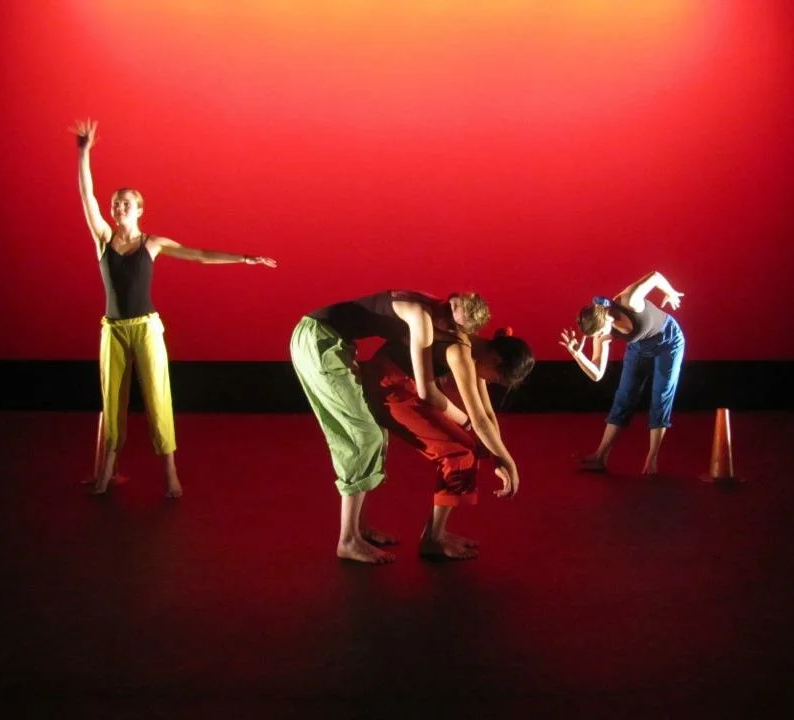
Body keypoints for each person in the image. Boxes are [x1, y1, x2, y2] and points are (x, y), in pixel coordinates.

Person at [70, 118, 277, 499]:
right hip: (112, 329)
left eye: (126, 203)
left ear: (139, 210)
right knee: (111, 399)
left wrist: (245, 259)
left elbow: (199, 255)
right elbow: (87, 197)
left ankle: (170, 475)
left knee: (157, 397)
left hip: (147, 328)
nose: (118, 207)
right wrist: (84, 153)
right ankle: (107, 472)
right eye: (115, 203)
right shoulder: (102, 238)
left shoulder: (153, 243)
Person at [289, 290, 491, 564]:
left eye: (454, 325)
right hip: (319, 339)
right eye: (449, 312)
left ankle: (358, 530)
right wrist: (467, 421)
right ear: (450, 301)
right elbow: (427, 391)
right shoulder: (422, 315)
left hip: (328, 340)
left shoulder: (431, 312)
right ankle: (347, 540)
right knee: (364, 437)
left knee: (374, 432)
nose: (446, 324)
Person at [361, 325, 534, 561]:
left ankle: (436, 533)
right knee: (458, 452)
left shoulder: (480, 353)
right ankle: (433, 539)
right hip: (389, 384)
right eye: (494, 377)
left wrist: (498, 457)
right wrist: (510, 462)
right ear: (494, 358)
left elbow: (487, 413)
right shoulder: (461, 351)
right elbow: (478, 419)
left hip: (408, 384)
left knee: (469, 448)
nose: (490, 381)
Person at [560, 270, 685, 476]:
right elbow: (597, 374)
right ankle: (601, 456)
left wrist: (670, 292)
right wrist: (577, 355)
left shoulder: (629, 300)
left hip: (668, 342)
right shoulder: (600, 334)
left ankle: (652, 458)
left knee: (661, 396)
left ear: (607, 318)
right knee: (624, 396)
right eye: (596, 336)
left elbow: (654, 276)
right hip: (639, 347)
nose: (599, 338)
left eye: (600, 333)